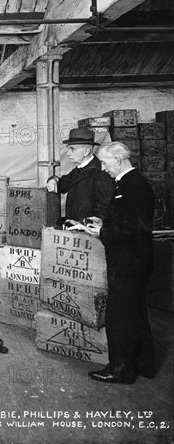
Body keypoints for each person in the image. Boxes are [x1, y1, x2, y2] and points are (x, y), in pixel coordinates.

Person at [83, 142, 155, 384]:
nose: (103, 168)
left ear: (120, 159)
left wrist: (101, 233)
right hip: (135, 261)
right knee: (135, 314)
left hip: (128, 263)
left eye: (105, 162)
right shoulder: (129, 184)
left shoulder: (134, 186)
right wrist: (104, 222)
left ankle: (120, 370)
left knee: (120, 317)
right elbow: (128, 220)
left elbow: (134, 229)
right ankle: (144, 365)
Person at [46, 128, 114, 223]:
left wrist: (87, 226)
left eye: (72, 149)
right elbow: (63, 185)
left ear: (86, 151)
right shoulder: (79, 169)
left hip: (87, 232)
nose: (68, 153)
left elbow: (103, 210)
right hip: (75, 228)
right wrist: (53, 179)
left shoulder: (101, 173)